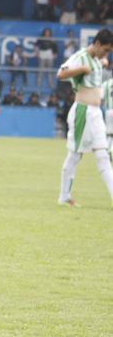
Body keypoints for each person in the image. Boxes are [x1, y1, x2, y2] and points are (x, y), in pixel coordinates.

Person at [56, 28, 113, 207]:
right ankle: (64, 196)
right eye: (106, 50)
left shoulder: (97, 59)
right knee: (75, 155)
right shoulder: (80, 57)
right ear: (96, 44)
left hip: (96, 114)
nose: (107, 55)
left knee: (103, 155)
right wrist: (81, 69)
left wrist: (102, 61)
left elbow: (100, 62)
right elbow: (61, 73)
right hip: (83, 112)